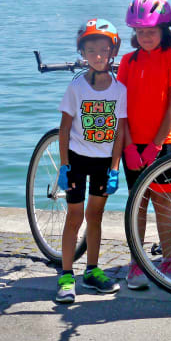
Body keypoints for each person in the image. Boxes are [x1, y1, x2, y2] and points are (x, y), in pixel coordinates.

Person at [117, 0, 171, 289]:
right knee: (138, 202)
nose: (145, 37)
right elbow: (120, 106)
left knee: (162, 199)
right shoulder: (127, 61)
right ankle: (137, 260)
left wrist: (157, 144)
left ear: (164, 31)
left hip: (163, 143)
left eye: (151, 31)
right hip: (132, 144)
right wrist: (130, 145)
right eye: (140, 32)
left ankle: (169, 258)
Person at [55, 18, 127, 304]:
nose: (98, 56)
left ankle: (93, 270)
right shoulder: (76, 88)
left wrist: (115, 168)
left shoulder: (120, 90)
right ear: (82, 54)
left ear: (112, 53)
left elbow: (120, 130)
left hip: (103, 162)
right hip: (77, 159)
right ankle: (66, 273)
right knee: (74, 216)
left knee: (94, 217)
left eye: (103, 50)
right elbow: (64, 128)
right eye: (91, 50)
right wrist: (64, 165)